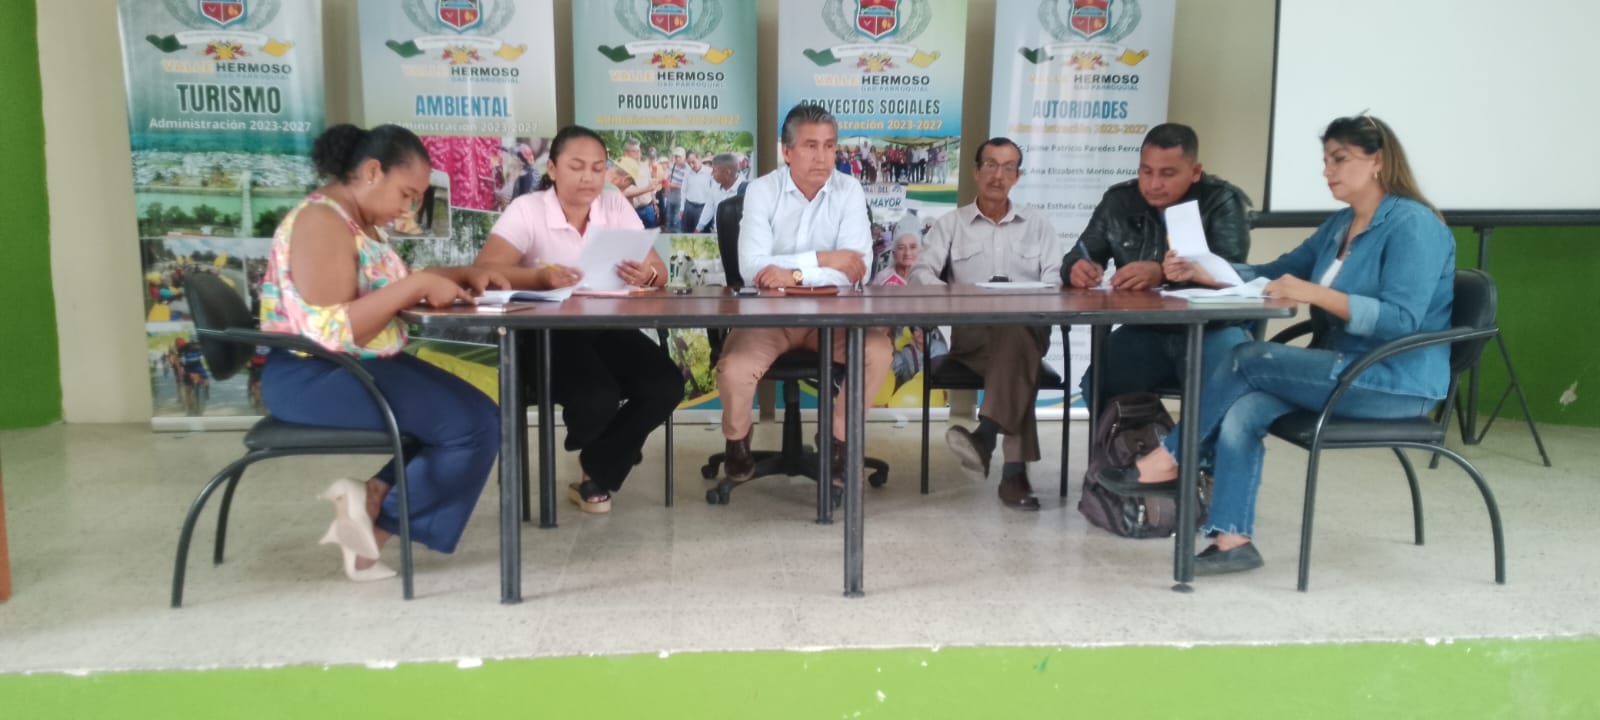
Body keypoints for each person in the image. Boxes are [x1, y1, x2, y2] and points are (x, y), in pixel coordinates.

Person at [1099, 115, 1456, 575]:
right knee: (1245, 408)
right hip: (1341, 368)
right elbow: (1274, 272)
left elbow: (1402, 320)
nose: (1327, 171)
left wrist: (1315, 293)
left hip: (1394, 380)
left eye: (1340, 159)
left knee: (1246, 357)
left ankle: (1170, 458)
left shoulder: (1414, 225)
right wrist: (1210, 274)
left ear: (1378, 161)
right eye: (1325, 160)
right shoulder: (1341, 224)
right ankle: (1233, 541)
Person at [258, 123, 506, 582]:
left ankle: (373, 498)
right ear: (373, 171)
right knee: (469, 429)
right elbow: (334, 332)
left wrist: (457, 275)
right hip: (313, 376)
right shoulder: (321, 221)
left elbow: (390, 288)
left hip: (356, 366)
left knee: (488, 416)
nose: (408, 209)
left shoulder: (360, 223)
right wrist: (416, 285)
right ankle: (373, 531)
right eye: (406, 194)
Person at [473, 125, 682, 514]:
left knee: (666, 385)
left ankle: (599, 459)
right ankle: (607, 452)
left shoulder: (614, 206)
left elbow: (659, 272)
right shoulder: (528, 209)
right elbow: (484, 271)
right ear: (553, 169)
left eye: (598, 168)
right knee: (596, 398)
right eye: (576, 166)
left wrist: (646, 275)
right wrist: (539, 277)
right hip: (545, 333)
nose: (589, 177)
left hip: (607, 326)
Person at [715, 103, 892, 483]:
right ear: (787, 151)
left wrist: (791, 273)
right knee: (735, 368)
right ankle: (737, 440)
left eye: (830, 145)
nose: (822, 157)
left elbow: (856, 268)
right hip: (769, 317)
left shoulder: (849, 190)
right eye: (811, 146)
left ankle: (839, 442)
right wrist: (825, 258)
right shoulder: (762, 190)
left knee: (877, 351)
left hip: (834, 318)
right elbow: (753, 268)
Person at [911, 137, 1064, 509]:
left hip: (1029, 328)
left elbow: (1057, 281)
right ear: (976, 171)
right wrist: (957, 297)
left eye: (1008, 168)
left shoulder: (1037, 224)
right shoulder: (951, 225)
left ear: (1018, 176)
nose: (999, 176)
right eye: (991, 165)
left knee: (1017, 334)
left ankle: (988, 434)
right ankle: (1013, 473)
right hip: (974, 337)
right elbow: (919, 274)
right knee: (1020, 359)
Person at [1062, 123, 1255, 412]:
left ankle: (1190, 443)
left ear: (1195, 172)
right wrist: (1077, 267)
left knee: (1226, 399)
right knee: (1098, 385)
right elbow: (1082, 251)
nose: (1154, 184)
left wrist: (1160, 272)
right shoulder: (1119, 201)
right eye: (1146, 171)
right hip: (1146, 328)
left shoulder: (1221, 201)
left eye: (1167, 174)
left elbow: (1230, 270)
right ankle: (1146, 438)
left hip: (1210, 329)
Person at [614, 138, 661, 228]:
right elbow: (625, 192)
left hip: (648, 209)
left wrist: (655, 204)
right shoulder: (620, 169)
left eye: (639, 151)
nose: (638, 154)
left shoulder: (644, 166)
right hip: (631, 211)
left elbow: (651, 187)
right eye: (634, 151)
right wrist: (647, 188)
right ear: (626, 153)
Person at [694, 153, 745, 233]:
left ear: (727, 172)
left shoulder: (746, 190)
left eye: (714, 170)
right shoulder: (715, 187)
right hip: (718, 234)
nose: (711, 174)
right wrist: (699, 228)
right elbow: (709, 208)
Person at [679, 151, 714, 232]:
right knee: (686, 232)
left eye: (693, 162)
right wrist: (682, 207)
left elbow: (714, 192)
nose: (691, 165)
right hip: (689, 206)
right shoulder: (687, 173)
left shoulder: (710, 172)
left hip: (703, 208)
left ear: (699, 159)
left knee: (701, 233)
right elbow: (683, 190)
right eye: (689, 163)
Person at [663, 147, 689, 232]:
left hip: (680, 197)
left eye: (679, 156)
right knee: (669, 217)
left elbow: (687, 186)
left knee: (677, 220)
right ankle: (668, 232)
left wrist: (673, 185)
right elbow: (667, 178)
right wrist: (667, 188)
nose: (677, 158)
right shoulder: (672, 166)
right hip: (671, 195)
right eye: (676, 156)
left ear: (684, 157)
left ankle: (676, 235)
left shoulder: (688, 169)